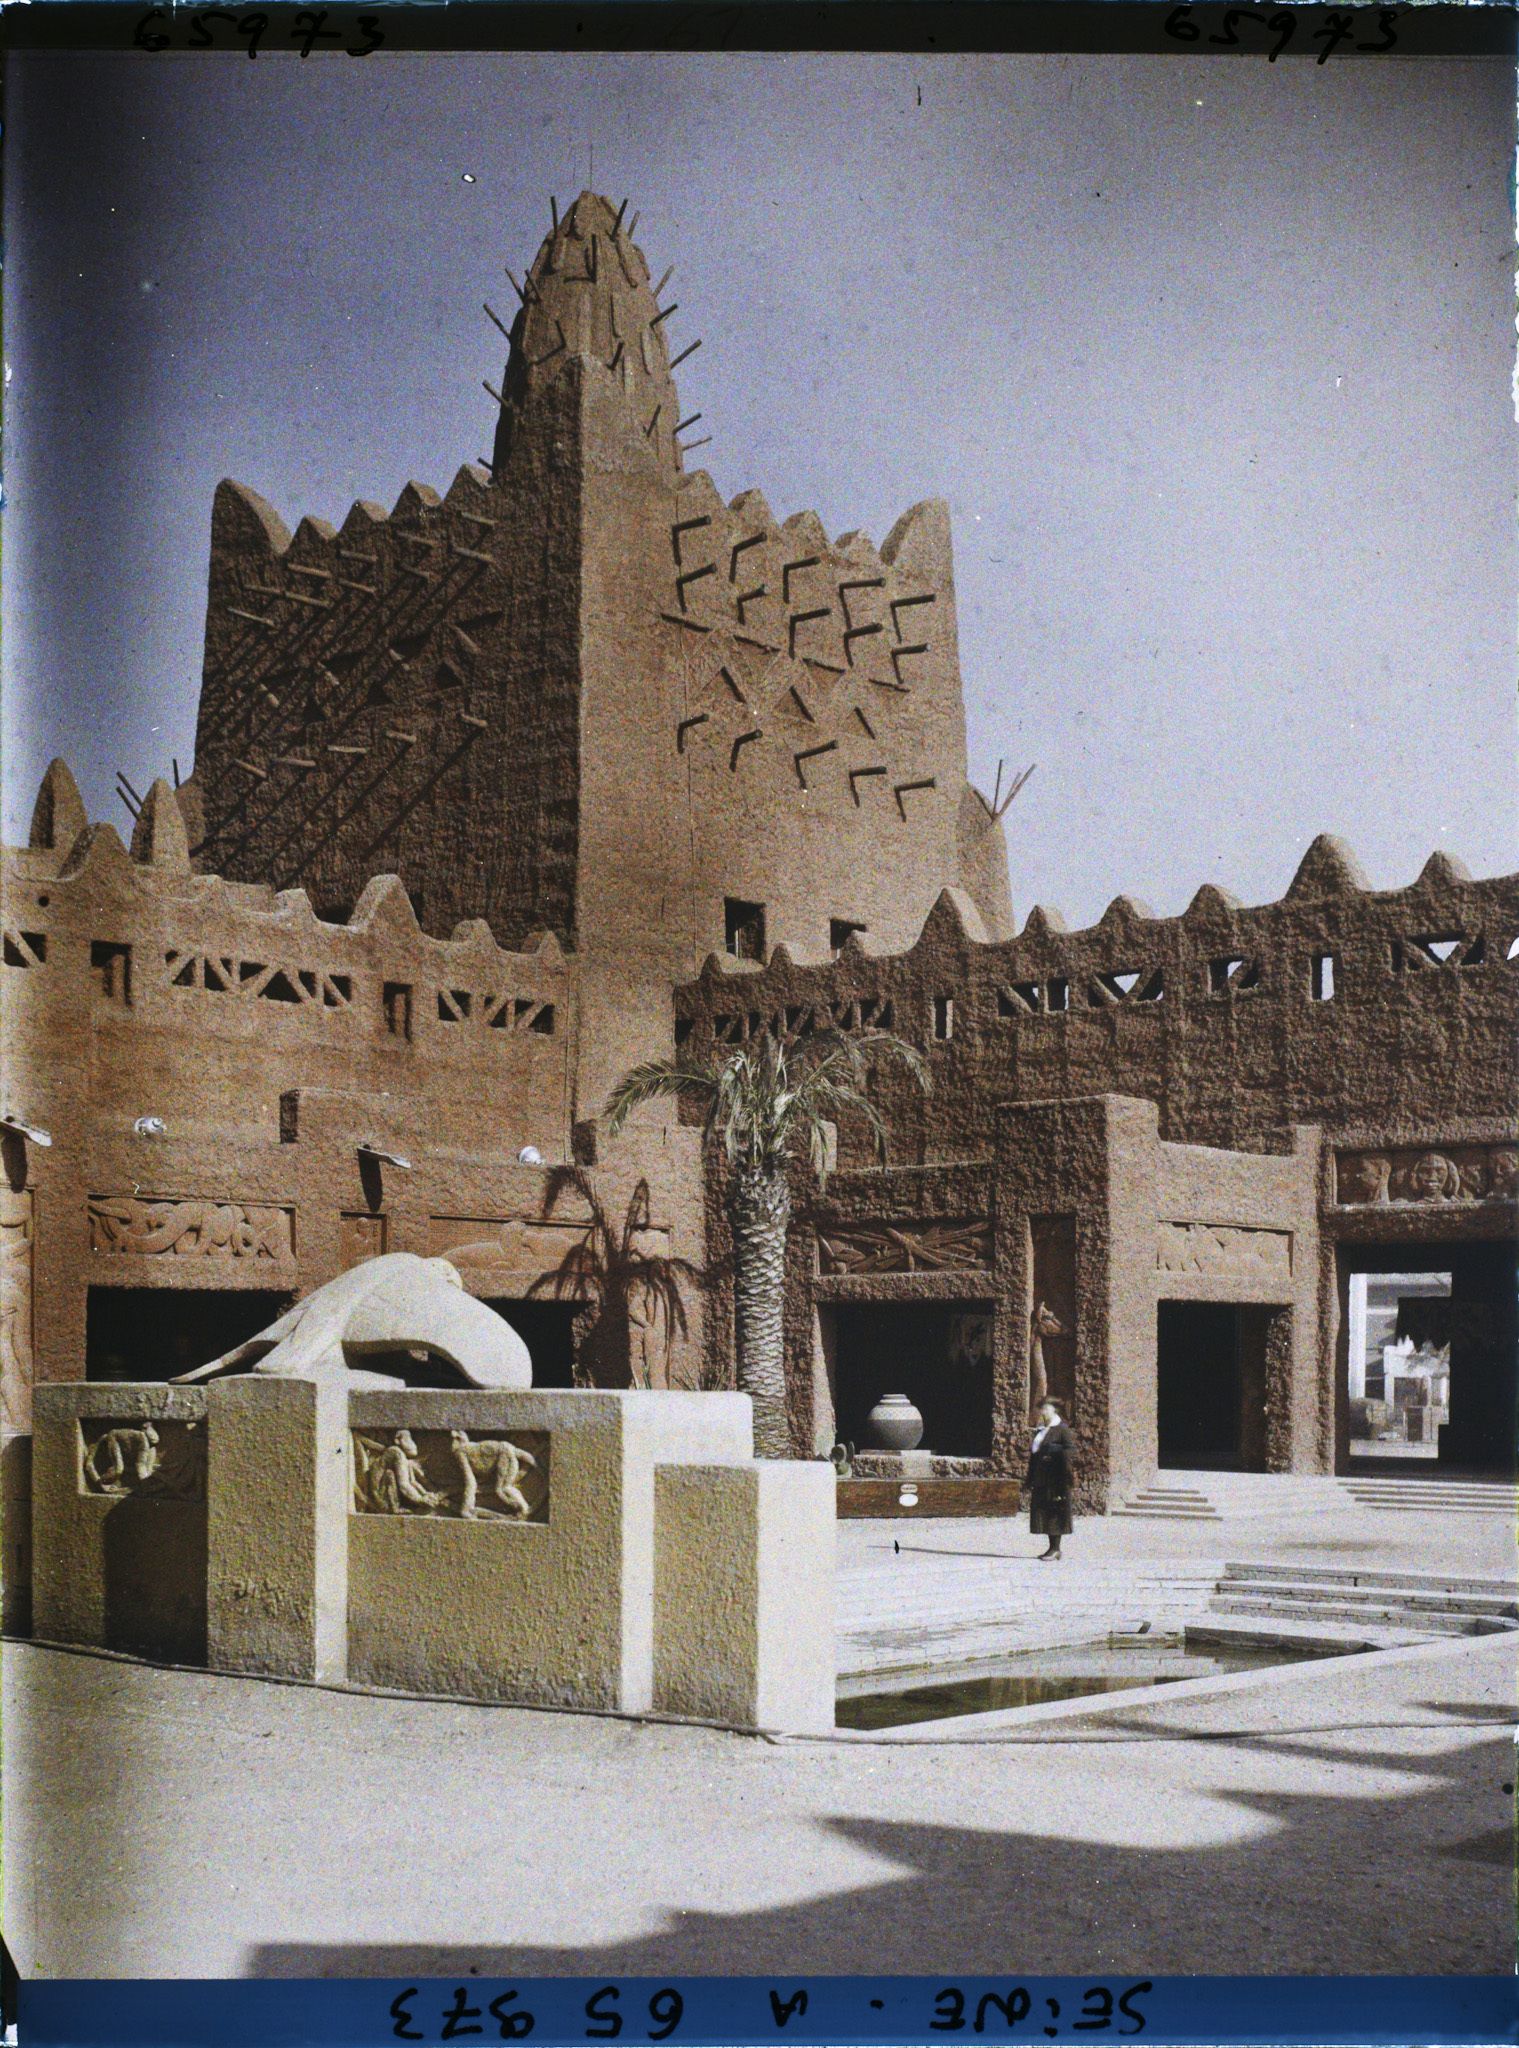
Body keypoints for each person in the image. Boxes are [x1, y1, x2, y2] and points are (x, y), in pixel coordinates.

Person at [1026, 1399, 1075, 1560]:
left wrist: (1054, 1453)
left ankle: (1056, 1549)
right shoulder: (1042, 1430)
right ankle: (1051, 1548)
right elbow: (1034, 1456)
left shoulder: (1062, 1429)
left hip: (1056, 1478)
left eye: (1046, 1409)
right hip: (1042, 1478)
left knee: (1055, 1511)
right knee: (1045, 1512)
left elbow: (1070, 1451)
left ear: (1055, 1410)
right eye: (1042, 1409)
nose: (1043, 1412)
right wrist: (1030, 1479)